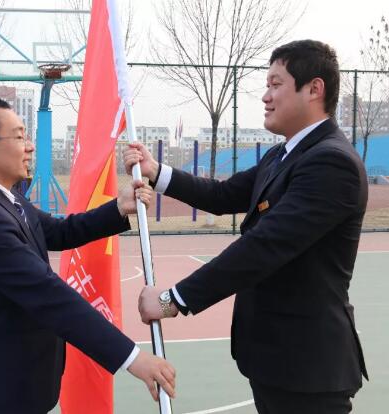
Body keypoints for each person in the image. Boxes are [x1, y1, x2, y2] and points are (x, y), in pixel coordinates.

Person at [124, 40, 368, 414]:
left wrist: (172, 300)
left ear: (314, 89)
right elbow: (224, 195)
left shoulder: (332, 164)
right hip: (276, 359)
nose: (266, 97)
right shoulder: (283, 154)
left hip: (309, 367)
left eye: (276, 84)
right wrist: (158, 173)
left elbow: (265, 246)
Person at [0, 96, 175, 414]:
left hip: (22, 384)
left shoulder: (4, 198)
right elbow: (49, 295)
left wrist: (118, 208)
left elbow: (58, 231)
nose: (29, 146)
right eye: (18, 136)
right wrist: (132, 358)